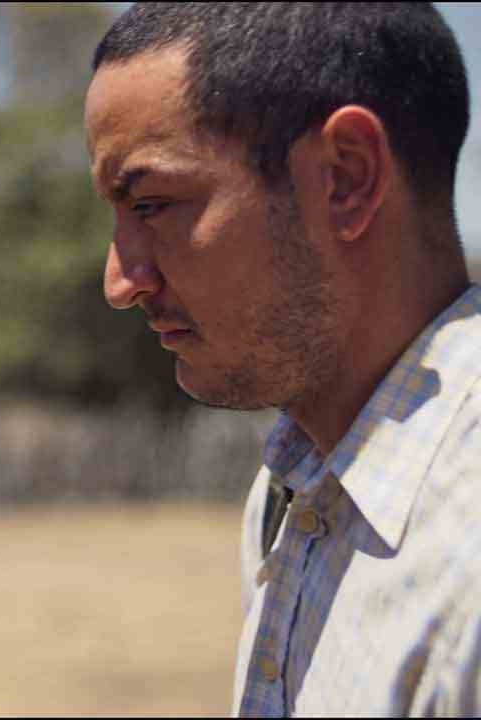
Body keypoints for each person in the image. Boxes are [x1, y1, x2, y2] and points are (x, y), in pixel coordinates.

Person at [86, 3, 480, 716]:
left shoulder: (466, 565)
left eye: (150, 204)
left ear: (346, 179)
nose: (121, 282)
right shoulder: (295, 485)